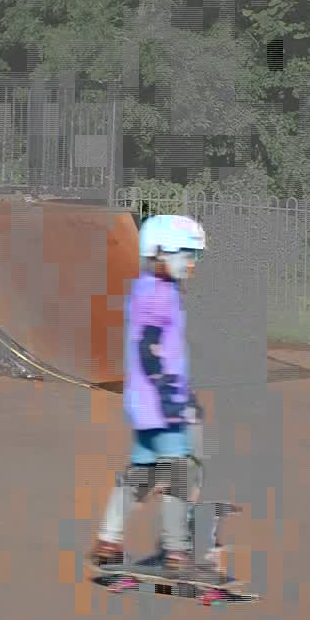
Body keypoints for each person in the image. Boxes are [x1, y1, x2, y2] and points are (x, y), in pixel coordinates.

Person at [91, 213, 207, 573]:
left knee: (142, 473)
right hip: (163, 404)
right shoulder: (159, 295)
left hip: (144, 404)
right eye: (186, 255)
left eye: (195, 256)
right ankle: (176, 550)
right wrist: (172, 395)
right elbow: (149, 348)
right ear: (160, 252)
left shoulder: (148, 288)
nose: (192, 263)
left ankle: (108, 539)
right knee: (179, 473)